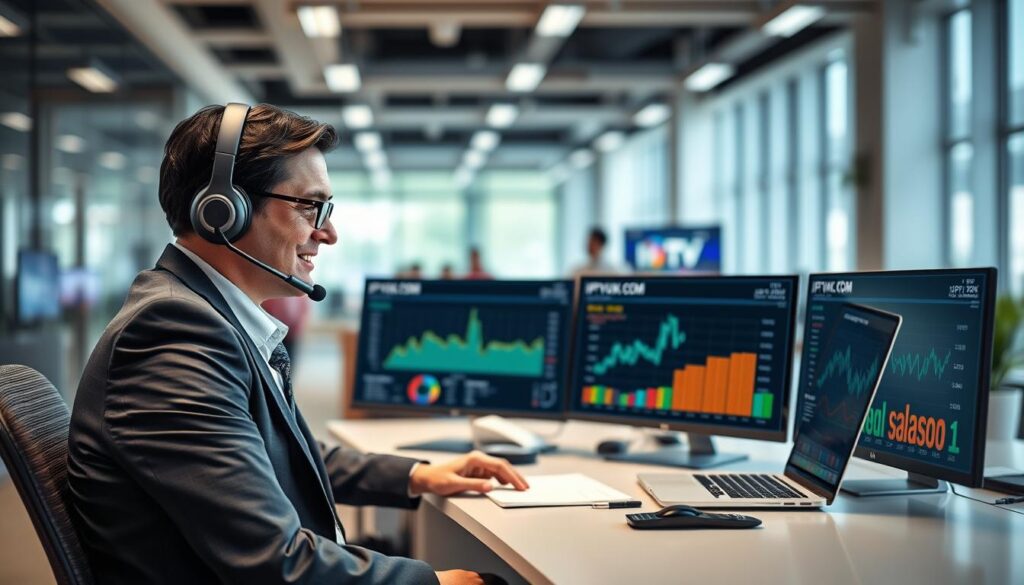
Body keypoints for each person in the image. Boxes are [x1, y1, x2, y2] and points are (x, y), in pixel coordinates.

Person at [67, 103, 527, 585]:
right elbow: (274, 563)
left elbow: (274, 451)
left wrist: (416, 475)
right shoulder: (173, 334)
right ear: (222, 210)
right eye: (310, 206)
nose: (328, 234)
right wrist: (435, 582)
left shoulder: (204, 315)